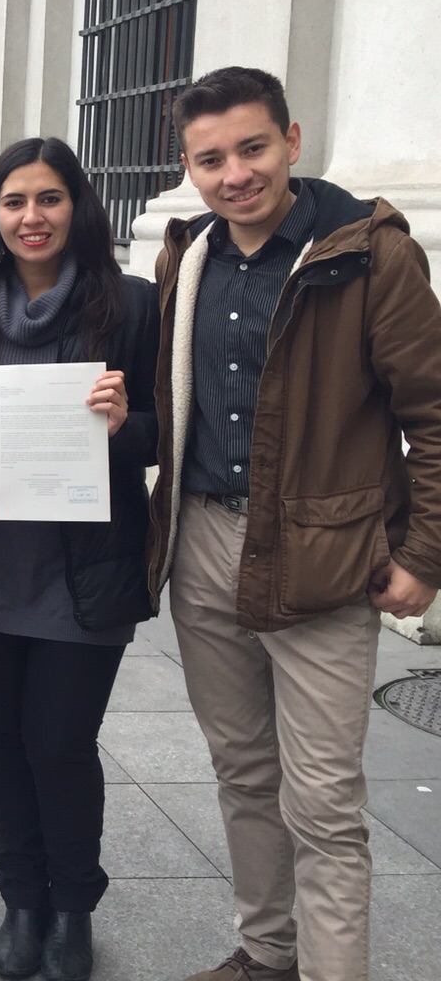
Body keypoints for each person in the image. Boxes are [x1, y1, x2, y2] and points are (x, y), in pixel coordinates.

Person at [149, 67, 441, 981]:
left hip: (324, 554)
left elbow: (432, 412)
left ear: (292, 140)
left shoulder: (369, 251)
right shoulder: (187, 252)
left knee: (323, 803)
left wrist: (426, 556)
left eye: (252, 148)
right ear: (189, 167)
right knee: (243, 774)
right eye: (211, 158)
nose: (235, 173)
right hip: (202, 542)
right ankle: (268, 954)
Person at [0, 138, 160, 980]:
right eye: (15, 201)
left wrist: (125, 423)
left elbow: (168, 431)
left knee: (60, 741)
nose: (33, 217)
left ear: (79, 207)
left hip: (85, 568)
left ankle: (73, 906)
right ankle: (21, 897)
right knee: (3, 735)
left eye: (50, 199)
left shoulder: (131, 306)